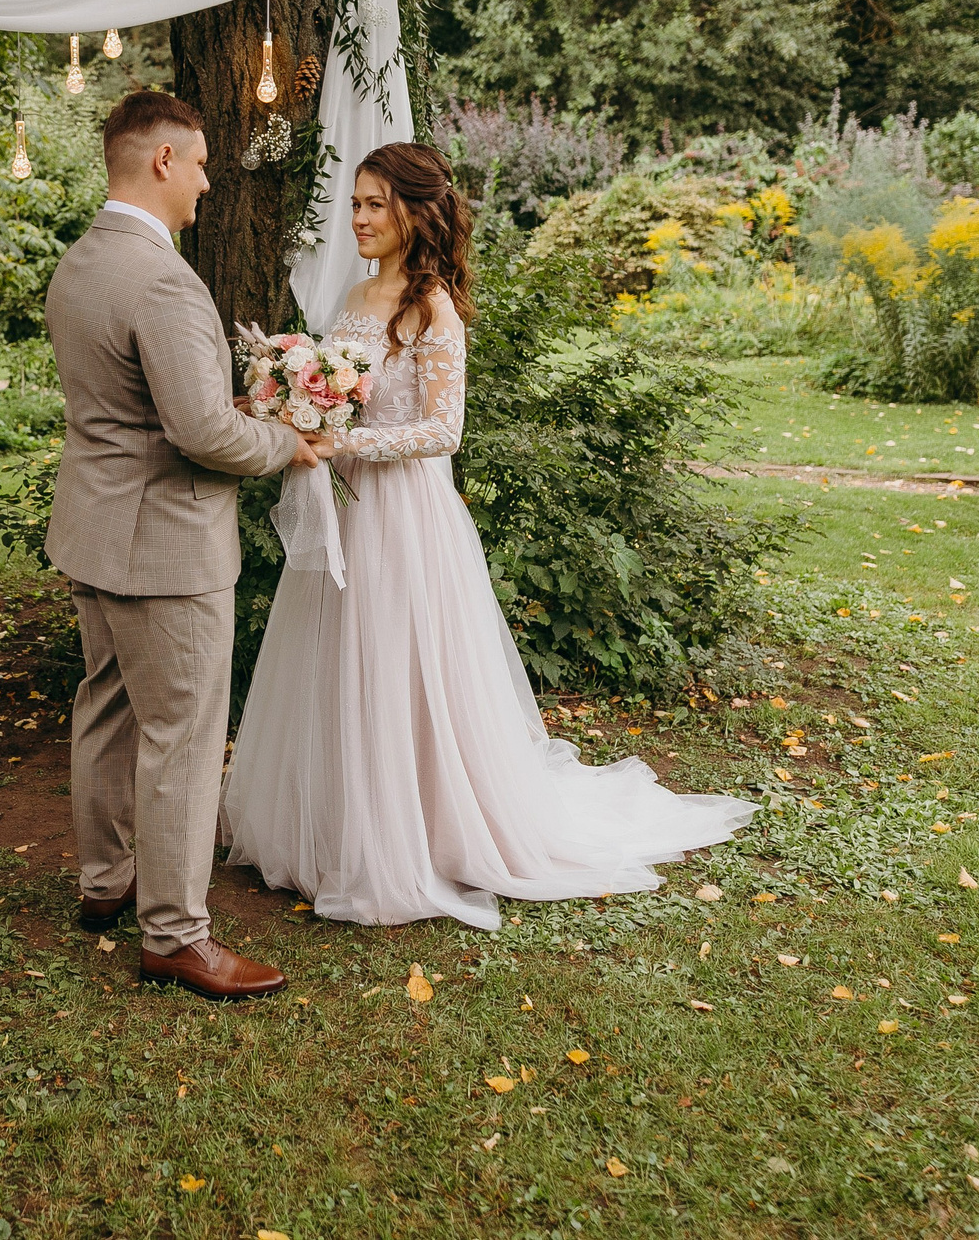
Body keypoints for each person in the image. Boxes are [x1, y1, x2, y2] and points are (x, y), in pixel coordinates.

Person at [221, 142, 757, 927]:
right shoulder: (359, 292)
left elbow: (443, 429)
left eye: (375, 204)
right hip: (351, 508)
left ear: (414, 211)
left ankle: (421, 835)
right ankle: (340, 826)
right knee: (343, 662)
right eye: (356, 204)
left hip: (406, 515)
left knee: (403, 667)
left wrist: (348, 443)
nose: (360, 218)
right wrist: (294, 405)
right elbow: (343, 393)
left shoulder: (430, 308)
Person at [43, 90, 324, 1000]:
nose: (207, 180)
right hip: (163, 545)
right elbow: (201, 433)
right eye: (200, 161)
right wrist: (288, 440)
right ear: (162, 160)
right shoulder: (161, 278)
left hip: (92, 528)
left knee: (107, 708)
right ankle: (174, 934)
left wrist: (232, 411)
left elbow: (134, 406)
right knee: (183, 736)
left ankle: (104, 883)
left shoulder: (81, 262)